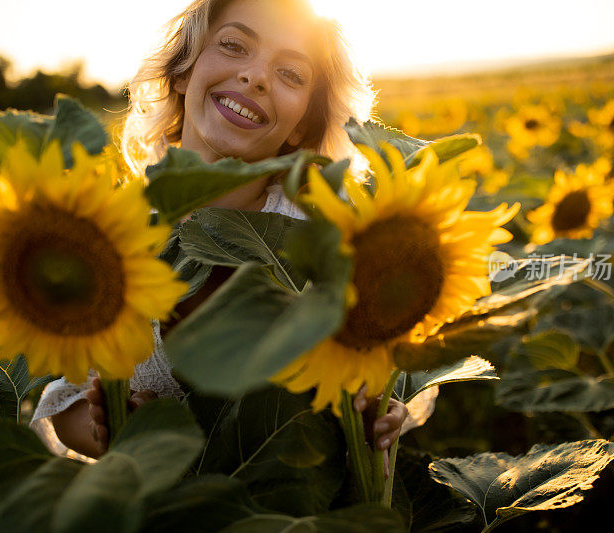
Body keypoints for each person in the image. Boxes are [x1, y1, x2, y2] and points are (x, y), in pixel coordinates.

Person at [31, 0, 410, 463]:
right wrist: (115, 430)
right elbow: (64, 400)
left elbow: (373, 369)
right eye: (233, 46)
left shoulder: (328, 231)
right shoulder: (113, 233)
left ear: (302, 125)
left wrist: (378, 412)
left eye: (291, 74)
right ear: (182, 72)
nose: (256, 76)